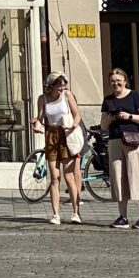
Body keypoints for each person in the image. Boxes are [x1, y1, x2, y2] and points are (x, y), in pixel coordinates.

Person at [102, 65, 139, 230]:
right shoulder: (108, 100)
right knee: (118, 178)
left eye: (118, 80)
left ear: (125, 81)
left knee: (138, 176)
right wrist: (110, 118)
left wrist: (129, 116)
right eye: (112, 81)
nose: (115, 84)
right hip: (115, 141)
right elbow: (103, 125)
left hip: (133, 141)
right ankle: (122, 217)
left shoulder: (134, 96)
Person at [31, 71, 83, 224]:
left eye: (63, 85)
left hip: (66, 134)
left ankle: (76, 213)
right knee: (54, 177)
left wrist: (73, 125)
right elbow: (40, 118)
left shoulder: (67, 95)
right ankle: (55, 215)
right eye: (59, 85)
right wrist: (37, 125)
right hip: (51, 135)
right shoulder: (43, 98)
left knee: (69, 176)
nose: (62, 88)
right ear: (51, 86)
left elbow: (77, 114)